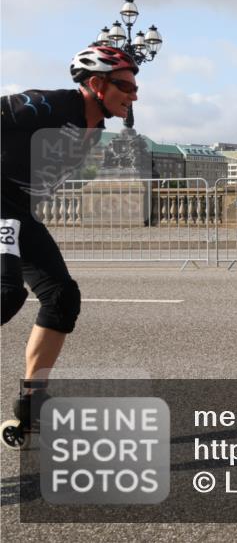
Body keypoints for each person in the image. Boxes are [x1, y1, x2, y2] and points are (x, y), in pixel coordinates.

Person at [1, 45, 139, 446]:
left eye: (135, 87)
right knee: (7, 295)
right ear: (96, 84)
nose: (134, 94)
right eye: (126, 85)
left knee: (62, 297)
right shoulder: (51, 105)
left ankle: (32, 401)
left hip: (18, 212)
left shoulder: (94, 130)